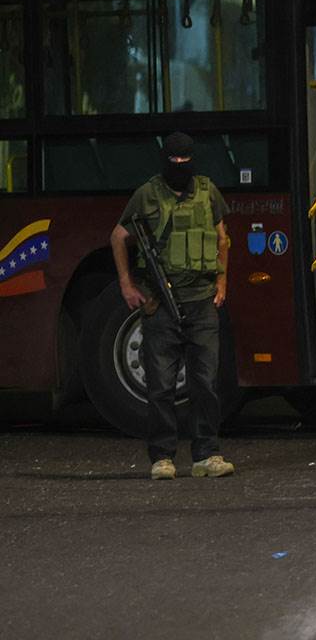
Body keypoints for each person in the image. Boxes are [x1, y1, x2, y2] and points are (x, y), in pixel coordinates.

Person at [109, 131, 234, 481]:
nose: (179, 167)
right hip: (160, 304)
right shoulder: (147, 194)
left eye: (185, 161)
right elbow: (118, 237)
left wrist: (222, 282)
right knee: (161, 385)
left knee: (205, 382)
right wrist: (126, 285)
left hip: (201, 301)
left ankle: (207, 454)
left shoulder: (208, 191)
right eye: (173, 161)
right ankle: (162, 456)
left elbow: (223, 238)